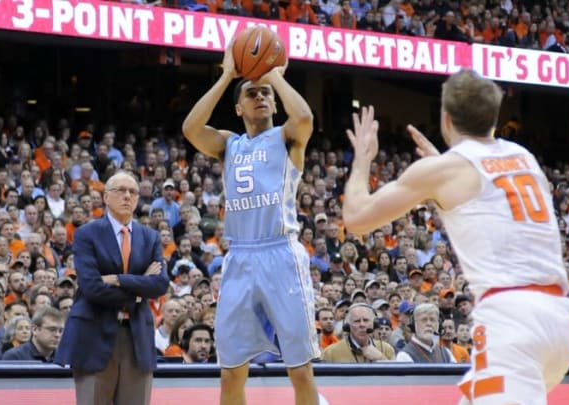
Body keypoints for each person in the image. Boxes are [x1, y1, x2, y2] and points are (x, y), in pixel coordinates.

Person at [342, 70, 569, 404]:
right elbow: (491, 201)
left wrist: (363, 159)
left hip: (513, 321)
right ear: (494, 117)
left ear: (446, 118)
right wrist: (440, 167)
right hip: (560, 319)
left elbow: (356, 218)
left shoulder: (447, 171)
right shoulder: (524, 157)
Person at [182, 44, 319, 404]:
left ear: (275, 104)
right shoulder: (230, 144)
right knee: (230, 372)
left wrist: (272, 73)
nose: (260, 96)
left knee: (300, 369)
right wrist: (228, 74)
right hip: (240, 257)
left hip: (281, 254)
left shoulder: (287, 138)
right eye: (251, 92)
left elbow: (304, 118)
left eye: (266, 94)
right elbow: (191, 127)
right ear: (238, 108)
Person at [54, 171, 170, 405]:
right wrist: (138, 292)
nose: (128, 196)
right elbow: (92, 288)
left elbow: (159, 284)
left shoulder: (150, 237)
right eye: (121, 191)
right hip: (94, 334)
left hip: (137, 335)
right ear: (106, 197)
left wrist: (118, 279)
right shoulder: (87, 233)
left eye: (133, 192)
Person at [321, 303, 395, 362]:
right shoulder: (330, 352)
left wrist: (381, 358)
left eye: (366, 320)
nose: (362, 325)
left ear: (374, 324)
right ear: (348, 326)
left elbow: (395, 379)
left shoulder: (386, 349)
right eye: (357, 321)